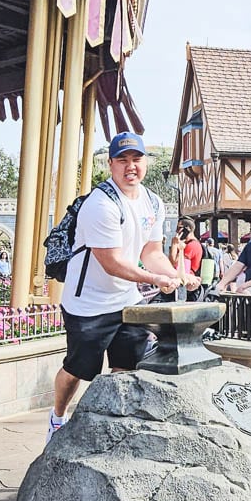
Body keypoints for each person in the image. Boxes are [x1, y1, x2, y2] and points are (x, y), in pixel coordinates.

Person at [48, 133, 192, 443]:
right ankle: (57, 419)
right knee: (78, 370)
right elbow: (110, 262)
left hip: (126, 299)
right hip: (88, 303)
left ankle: (113, 427)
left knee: (125, 367)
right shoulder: (100, 204)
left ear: (146, 163)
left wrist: (178, 273)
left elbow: (151, 253)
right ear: (111, 164)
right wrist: (156, 280)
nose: (131, 167)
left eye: (136, 159)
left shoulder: (152, 202)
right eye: (123, 160)